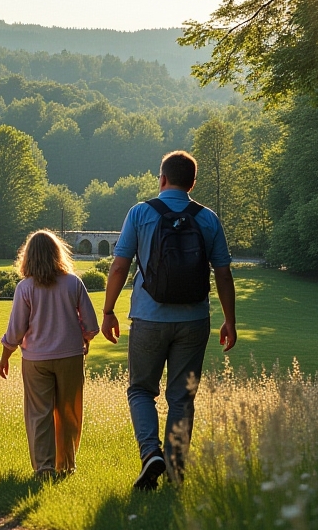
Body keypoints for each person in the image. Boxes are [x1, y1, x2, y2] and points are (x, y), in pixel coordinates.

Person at [101, 150, 236, 489]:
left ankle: (151, 453)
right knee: (181, 397)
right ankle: (176, 471)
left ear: (162, 179)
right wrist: (229, 321)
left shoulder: (140, 213)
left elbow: (119, 267)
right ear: (192, 183)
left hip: (148, 318)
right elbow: (223, 274)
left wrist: (108, 310)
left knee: (141, 390)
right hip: (194, 320)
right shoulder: (208, 219)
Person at [0, 230, 99, 478]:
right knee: (69, 411)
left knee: (39, 414)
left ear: (28, 257)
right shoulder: (73, 283)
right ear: (58, 254)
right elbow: (91, 324)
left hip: (35, 359)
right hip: (70, 356)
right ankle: (66, 464)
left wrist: (5, 356)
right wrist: (84, 339)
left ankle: (44, 467)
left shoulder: (25, 288)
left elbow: (16, 330)